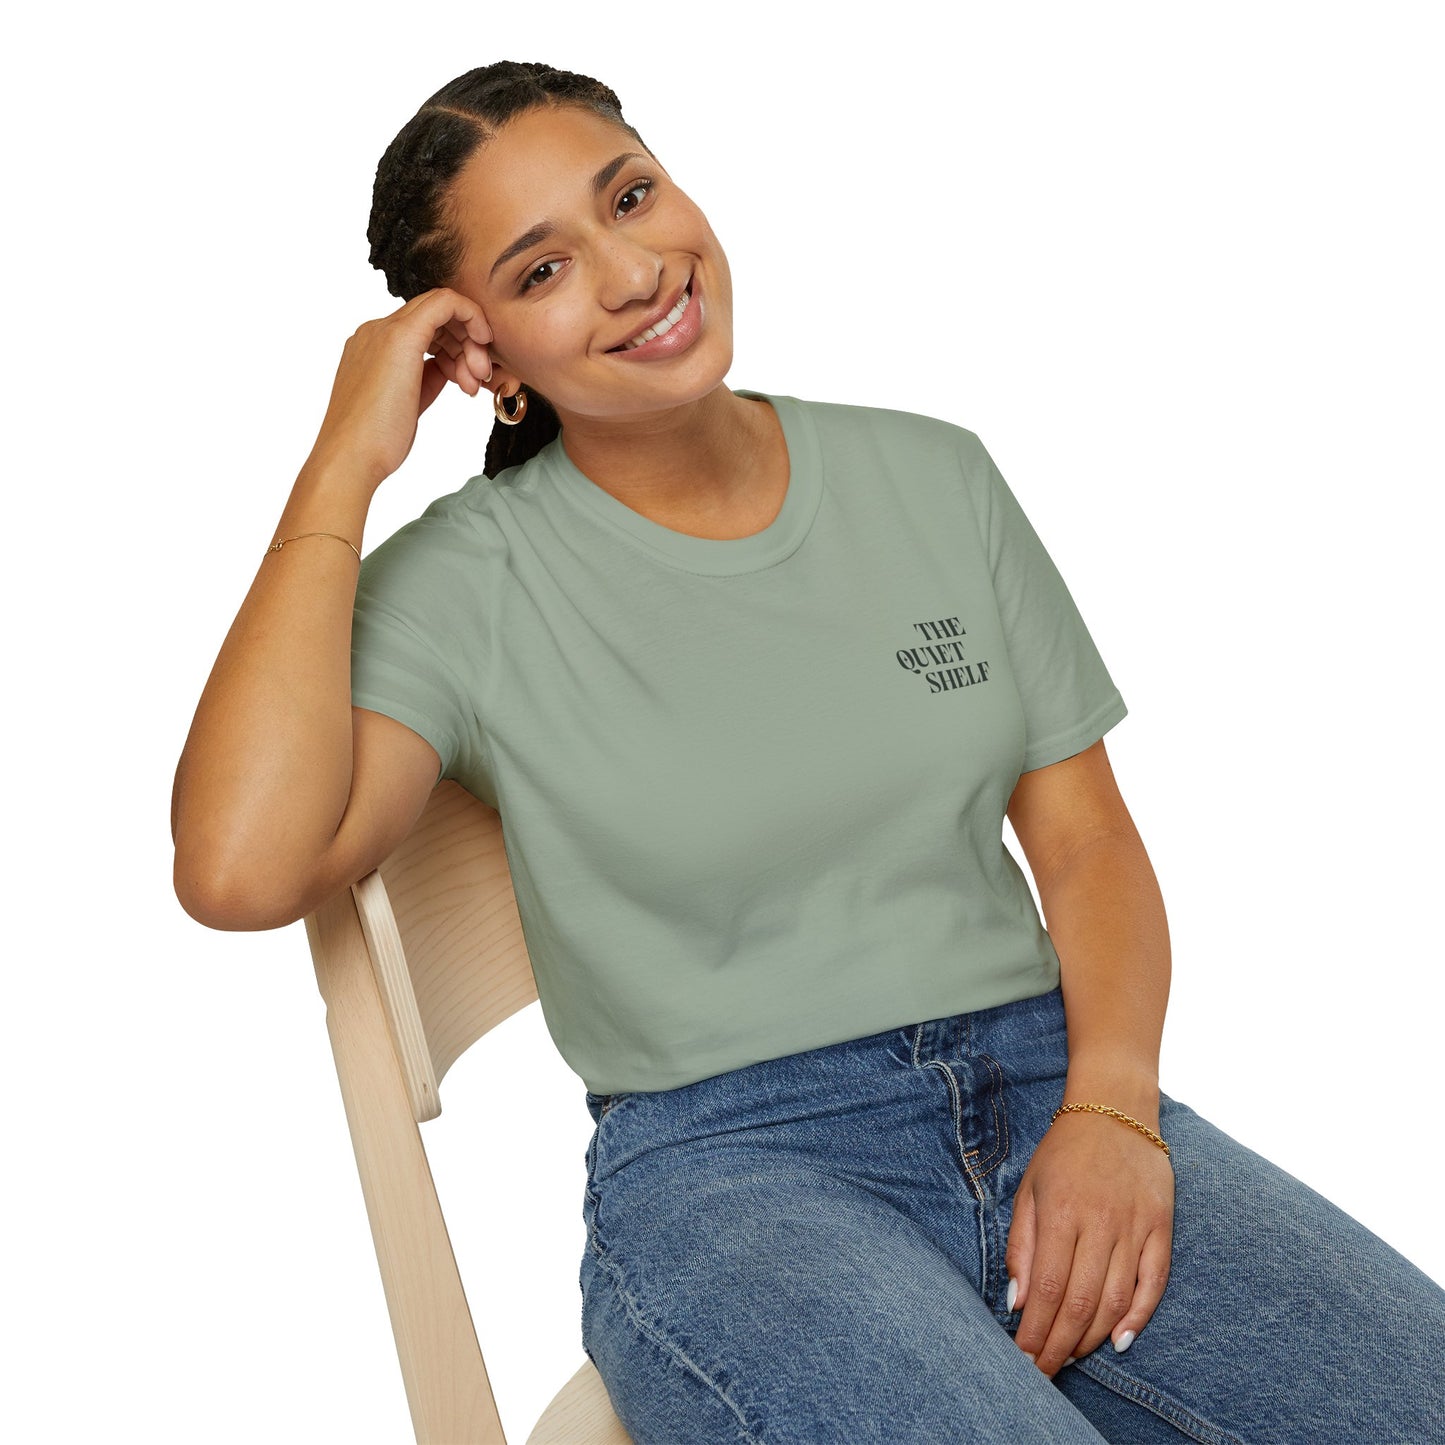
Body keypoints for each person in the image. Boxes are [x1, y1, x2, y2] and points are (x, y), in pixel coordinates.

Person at [171, 60, 1445, 1444]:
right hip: (733, 1171)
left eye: (632, 196)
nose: (633, 270)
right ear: (483, 358)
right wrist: (340, 463)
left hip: (1050, 1084)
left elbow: (1084, 846)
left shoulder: (932, 475)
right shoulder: (466, 582)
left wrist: (1113, 1110)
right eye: (542, 271)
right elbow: (240, 868)